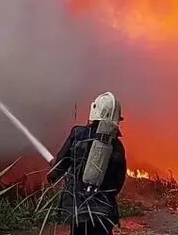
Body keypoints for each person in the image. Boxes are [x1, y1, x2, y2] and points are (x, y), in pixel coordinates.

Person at [48, 92, 128, 235]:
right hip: (104, 212)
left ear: (94, 111)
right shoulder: (116, 146)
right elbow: (118, 183)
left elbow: (58, 168)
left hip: (79, 210)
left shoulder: (78, 134)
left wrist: (54, 172)